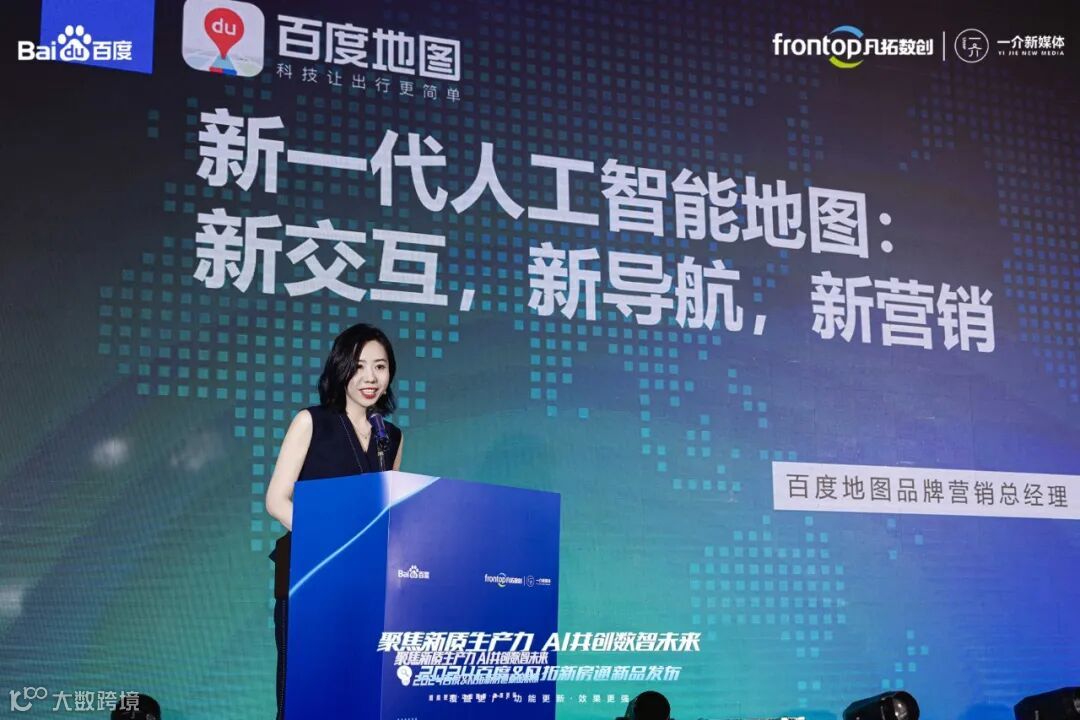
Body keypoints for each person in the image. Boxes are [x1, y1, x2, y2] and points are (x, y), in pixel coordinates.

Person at [264, 323, 404, 720]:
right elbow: (276, 500)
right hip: (310, 573)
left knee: (355, 696)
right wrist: (329, 542)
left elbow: (387, 513)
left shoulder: (390, 436)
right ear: (340, 368)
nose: (370, 377)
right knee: (304, 696)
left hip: (363, 586)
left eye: (380, 367)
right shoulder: (312, 421)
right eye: (359, 366)